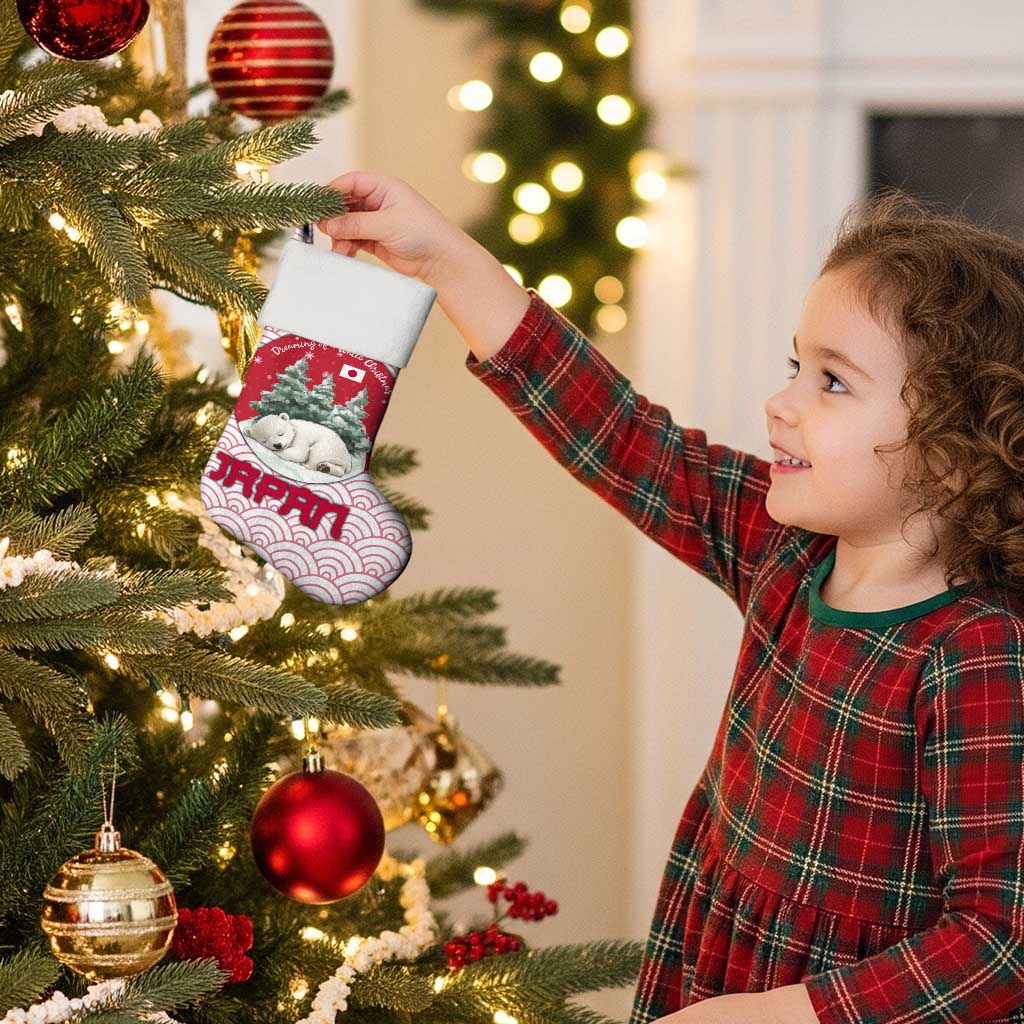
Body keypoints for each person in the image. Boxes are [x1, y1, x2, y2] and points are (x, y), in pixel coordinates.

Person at [318, 174, 1024, 1024]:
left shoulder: (978, 652)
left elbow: (998, 942)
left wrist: (778, 1016)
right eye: (797, 366)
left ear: (955, 452)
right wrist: (451, 262)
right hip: (716, 963)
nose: (782, 403)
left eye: (832, 383)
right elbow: (622, 435)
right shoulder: (786, 552)